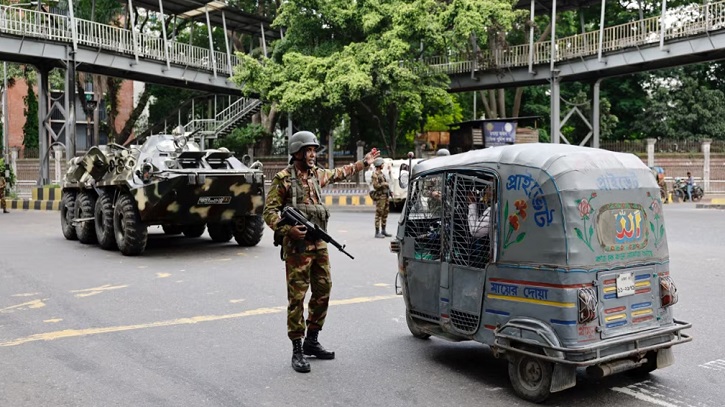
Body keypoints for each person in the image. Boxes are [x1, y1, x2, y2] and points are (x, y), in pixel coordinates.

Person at [263, 130, 379, 373]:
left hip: (319, 245)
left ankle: (312, 341)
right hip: (297, 247)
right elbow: (269, 212)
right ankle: (297, 349)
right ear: (297, 153)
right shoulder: (283, 179)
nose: (313, 154)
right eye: (309, 150)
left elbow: (339, 173)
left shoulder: (317, 175)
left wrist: (363, 163)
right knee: (297, 297)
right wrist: (287, 230)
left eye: (315, 150)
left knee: (323, 289)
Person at [371, 158, 391, 238]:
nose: (383, 165)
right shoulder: (375, 174)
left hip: (385, 196)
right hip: (380, 197)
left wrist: (390, 191)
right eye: (382, 164)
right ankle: (377, 232)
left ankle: (383, 230)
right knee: (378, 214)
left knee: (385, 213)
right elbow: (375, 186)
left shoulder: (382, 174)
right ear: (379, 165)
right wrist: (384, 184)